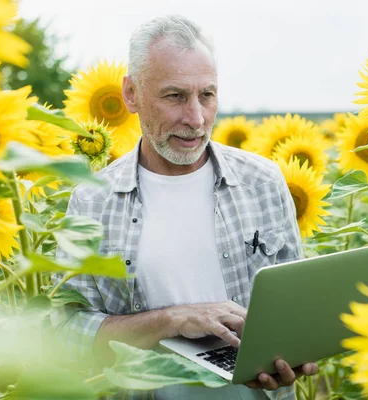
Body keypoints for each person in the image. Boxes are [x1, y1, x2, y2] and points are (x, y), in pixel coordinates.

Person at [54, 14, 317, 400]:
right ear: (131, 94)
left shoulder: (263, 182)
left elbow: (295, 308)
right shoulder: (93, 200)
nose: (195, 119)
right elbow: (68, 334)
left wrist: (295, 353)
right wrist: (173, 321)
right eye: (175, 96)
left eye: (207, 95)